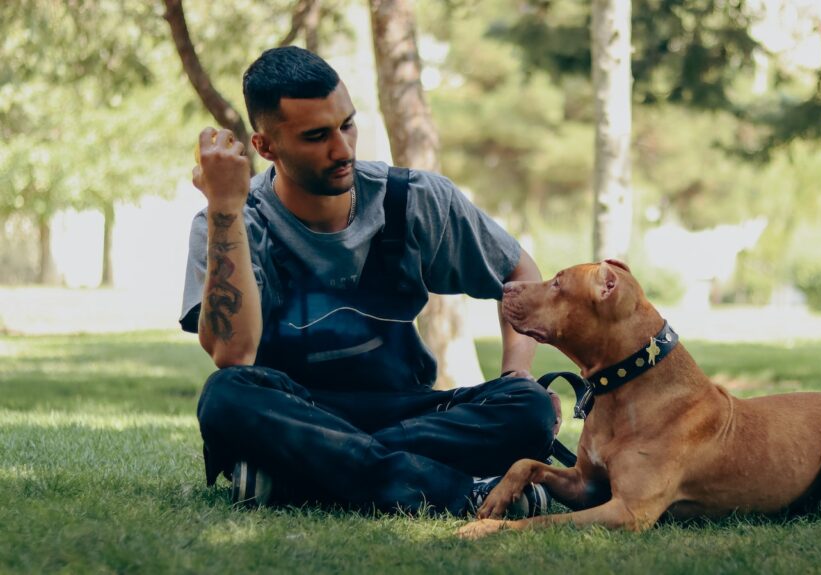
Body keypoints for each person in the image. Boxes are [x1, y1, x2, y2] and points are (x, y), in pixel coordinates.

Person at [179, 46, 559, 516]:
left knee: (529, 406)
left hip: (407, 410)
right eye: (317, 136)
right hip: (297, 411)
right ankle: (461, 493)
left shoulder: (414, 199)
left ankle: (303, 476)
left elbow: (518, 274)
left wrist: (516, 371)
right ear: (266, 147)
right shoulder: (230, 222)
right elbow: (233, 355)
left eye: (347, 125)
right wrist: (225, 208)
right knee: (226, 396)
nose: (343, 150)